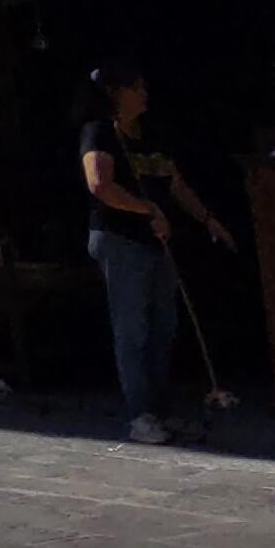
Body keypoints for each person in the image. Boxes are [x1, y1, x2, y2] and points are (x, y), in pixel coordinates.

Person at [80, 58, 238, 444]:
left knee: (163, 326)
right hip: (121, 240)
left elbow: (176, 186)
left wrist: (208, 219)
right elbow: (100, 185)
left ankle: (160, 410)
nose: (144, 93)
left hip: (157, 242)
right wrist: (147, 209)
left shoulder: (152, 135)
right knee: (132, 329)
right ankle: (140, 415)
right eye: (136, 87)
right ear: (116, 93)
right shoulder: (99, 133)